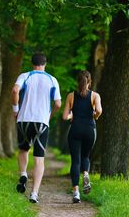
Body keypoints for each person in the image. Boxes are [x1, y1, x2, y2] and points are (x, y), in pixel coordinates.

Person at [12, 53, 61, 203]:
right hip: (41, 122)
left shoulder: (25, 76)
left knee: (23, 149)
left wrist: (15, 110)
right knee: (39, 159)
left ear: (32, 63)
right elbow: (58, 104)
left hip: (23, 120)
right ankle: (34, 193)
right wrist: (49, 115)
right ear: (45, 64)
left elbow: (15, 91)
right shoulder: (52, 80)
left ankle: (23, 173)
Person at [62, 70, 102, 203]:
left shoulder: (71, 96)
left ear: (77, 81)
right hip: (90, 129)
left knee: (75, 161)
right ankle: (85, 174)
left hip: (75, 129)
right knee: (85, 156)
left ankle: (76, 193)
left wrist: (71, 115)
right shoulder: (95, 96)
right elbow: (99, 111)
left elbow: (65, 116)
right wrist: (94, 115)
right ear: (90, 82)